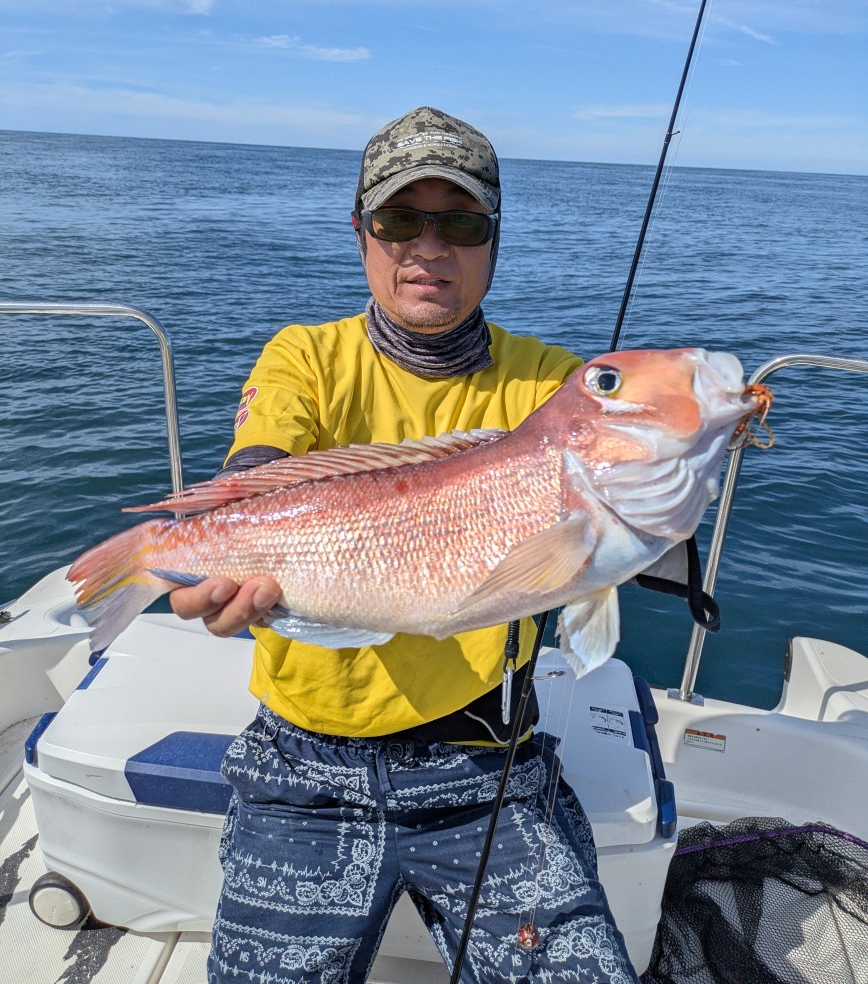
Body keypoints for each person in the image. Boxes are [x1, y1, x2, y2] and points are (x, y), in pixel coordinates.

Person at [170, 106, 639, 984]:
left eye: (460, 222)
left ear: (494, 239)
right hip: (301, 770)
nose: (430, 247)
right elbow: (263, 471)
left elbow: (624, 506)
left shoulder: (553, 386)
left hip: (488, 765)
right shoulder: (304, 357)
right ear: (360, 231)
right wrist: (220, 563)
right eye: (399, 220)